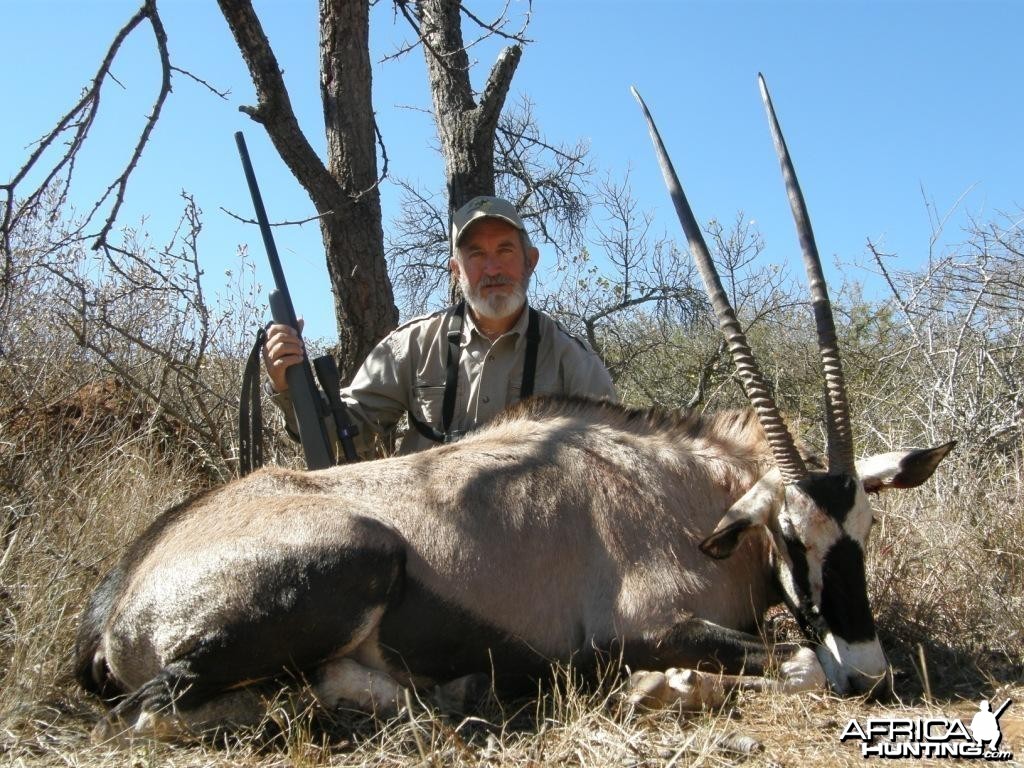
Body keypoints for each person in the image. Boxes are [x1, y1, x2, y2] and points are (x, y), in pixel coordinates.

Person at [263, 195, 617, 458]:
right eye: (476, 254)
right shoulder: (413, 344)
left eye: (505, 250)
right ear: (456, 269)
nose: (492, 268)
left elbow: (614, 465)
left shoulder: (573, 362)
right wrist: (290, 387)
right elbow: (344, 433)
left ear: (531, 261)